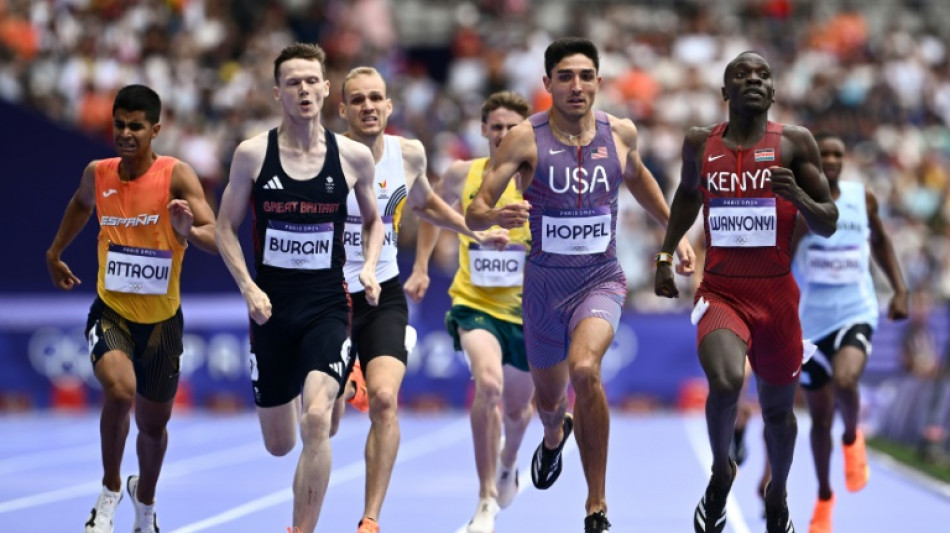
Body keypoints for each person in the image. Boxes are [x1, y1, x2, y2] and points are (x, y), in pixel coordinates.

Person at [466, 37, 695, 533]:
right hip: (544, 287)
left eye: (586, 76)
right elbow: (474, 209)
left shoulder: (621, 133)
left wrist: (671, 236)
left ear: (598, 81)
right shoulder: (525, 138)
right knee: (549, 403)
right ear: (547, 84)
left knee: (586, 369)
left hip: (601, 279)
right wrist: (495, 213)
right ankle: (554, 436)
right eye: (565, 77)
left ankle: (596, 505)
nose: (576, 86)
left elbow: (637, 179)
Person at [654, 51, 839, 533]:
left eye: (763, 76)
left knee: (779, 414)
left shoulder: (795, 144)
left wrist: (796, 196)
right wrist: (664, 254)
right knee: (725, 383)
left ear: (773, 92)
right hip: (722, 292)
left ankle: (776, 494)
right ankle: (721, 472)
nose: (754, 80)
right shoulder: (700, 144)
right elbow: (688, 196)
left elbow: (829, 223)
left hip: (777, 300)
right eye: (742, 74)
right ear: (725, 92)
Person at [214, 43, 384, 533]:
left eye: (312, 81)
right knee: (280, 444)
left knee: (315, 420)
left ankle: (300, 530)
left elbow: (374, 222)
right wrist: (247, 286)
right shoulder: (252, 154)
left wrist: (369, 267)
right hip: (270, 310)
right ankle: (332, 383)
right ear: (278, 93)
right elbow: (226, 227)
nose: (304, 90)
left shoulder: (352, 157)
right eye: (293, 83)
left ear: (327, 89)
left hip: (327, 305)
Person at [330, 66, 508, 533]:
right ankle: (348, 386)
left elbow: (427, 204)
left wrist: (474, 231)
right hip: (327, 296)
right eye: (359, 100)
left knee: (387, 400)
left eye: (377, 98)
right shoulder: (324, 158)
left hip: (383, 291)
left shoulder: (407, 153)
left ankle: (370, 519)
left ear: (389, 106)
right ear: (342, 109)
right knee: (319, 420)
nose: (369, 106)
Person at [46, 84, 217, 533]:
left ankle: (146, 503)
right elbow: (81, 205)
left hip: (162, 323)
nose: (125, 133)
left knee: (153, 427)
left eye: (136, 126)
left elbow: (217, 236)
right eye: (119, 124)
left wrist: (186, 231)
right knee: (119, 392)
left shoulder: (177, 176)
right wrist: (55, 252)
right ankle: (108, 491)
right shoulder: (97, 173)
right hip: (111, 311)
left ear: (155, 129)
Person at [407, 91, 536, 533]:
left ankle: (509, 461)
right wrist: (422, 265)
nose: (502, 134)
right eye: (495, 126)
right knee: (489, 383)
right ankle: (484, 501)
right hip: (474, 305)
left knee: (520, 411)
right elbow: (428, 209)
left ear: (525, 131)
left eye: (511, 127)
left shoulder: (542, 178)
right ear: (483, 130)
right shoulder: (463, 174)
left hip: (529, 314)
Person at [791, 132, 908, 533]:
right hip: (811, 324)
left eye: (837, 153)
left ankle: (854, 436)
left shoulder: (863, 198)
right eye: (822, 154)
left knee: (847, 379)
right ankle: (824, 497)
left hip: (856, 310)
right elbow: (783, 262)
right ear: (812, 161)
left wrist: (900, 289)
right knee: (819, 419)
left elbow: (880, 241)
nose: (830, 159)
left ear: (845, 159)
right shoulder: (800, 208)